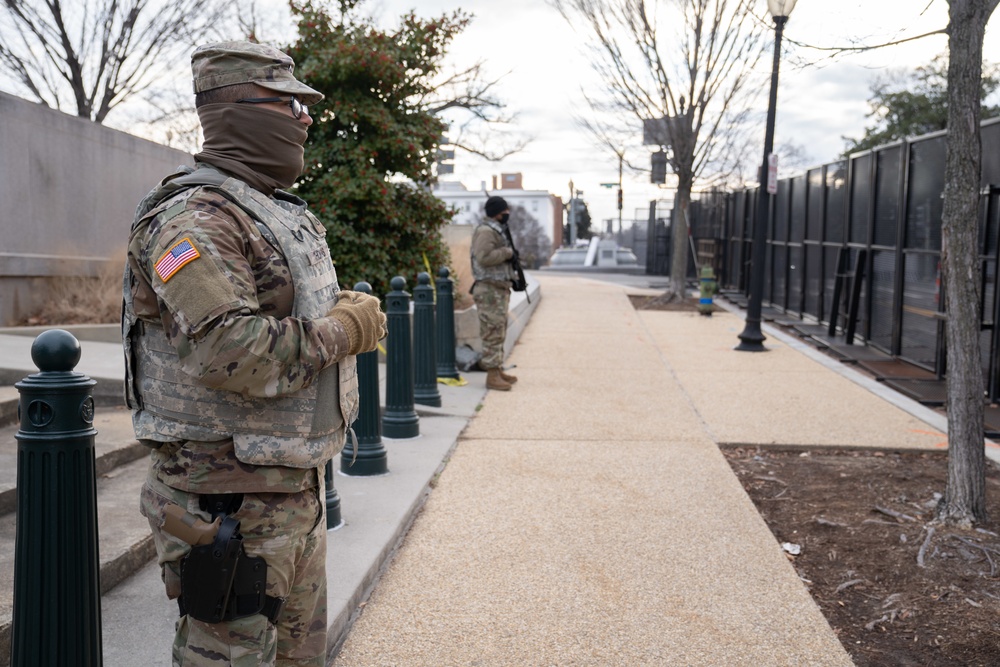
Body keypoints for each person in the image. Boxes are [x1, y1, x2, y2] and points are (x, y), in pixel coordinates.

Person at [121, 41, 386, 666]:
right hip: (227, 506)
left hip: (286, 492)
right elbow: (228, 351)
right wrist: (345, 330)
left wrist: (337, 308)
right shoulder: (194, 218)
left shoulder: (263, 208)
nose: (306, 118)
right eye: (289, 101)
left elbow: (272, 311)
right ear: (239, 107)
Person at [470, 195, 520, 391]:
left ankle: (497, 369)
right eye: (504, 211)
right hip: (489, 289)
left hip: (497, 289)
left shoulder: (497, 230)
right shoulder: (485, 231)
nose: (507, 214)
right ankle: (492, 376)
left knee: (498, 331)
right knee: (492, 332)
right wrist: (507, 253)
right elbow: (484, 257)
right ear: (497, 212)